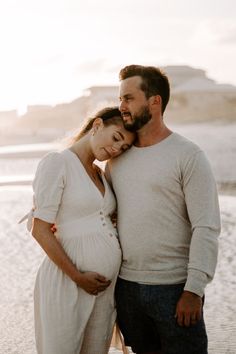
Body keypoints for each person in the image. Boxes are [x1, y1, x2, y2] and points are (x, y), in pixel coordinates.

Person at [107, 65, 221, 354]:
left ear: (154, 101)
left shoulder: (188, 155)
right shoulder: (117, 159)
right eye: (120, 98)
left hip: (175, 289)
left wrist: (194, 289)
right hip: (127, 289)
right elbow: (102, 211)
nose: (122, 106)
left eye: (129, 98)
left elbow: (206, 226)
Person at [21, 107, 135, 354]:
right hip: (67, 281)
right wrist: (77, 276)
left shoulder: (101, 174)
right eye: (116, 137)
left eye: (124, 147)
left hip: (103, 291)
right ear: (97, 125)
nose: (116, 149)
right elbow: (40, 230)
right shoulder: (58, 163)